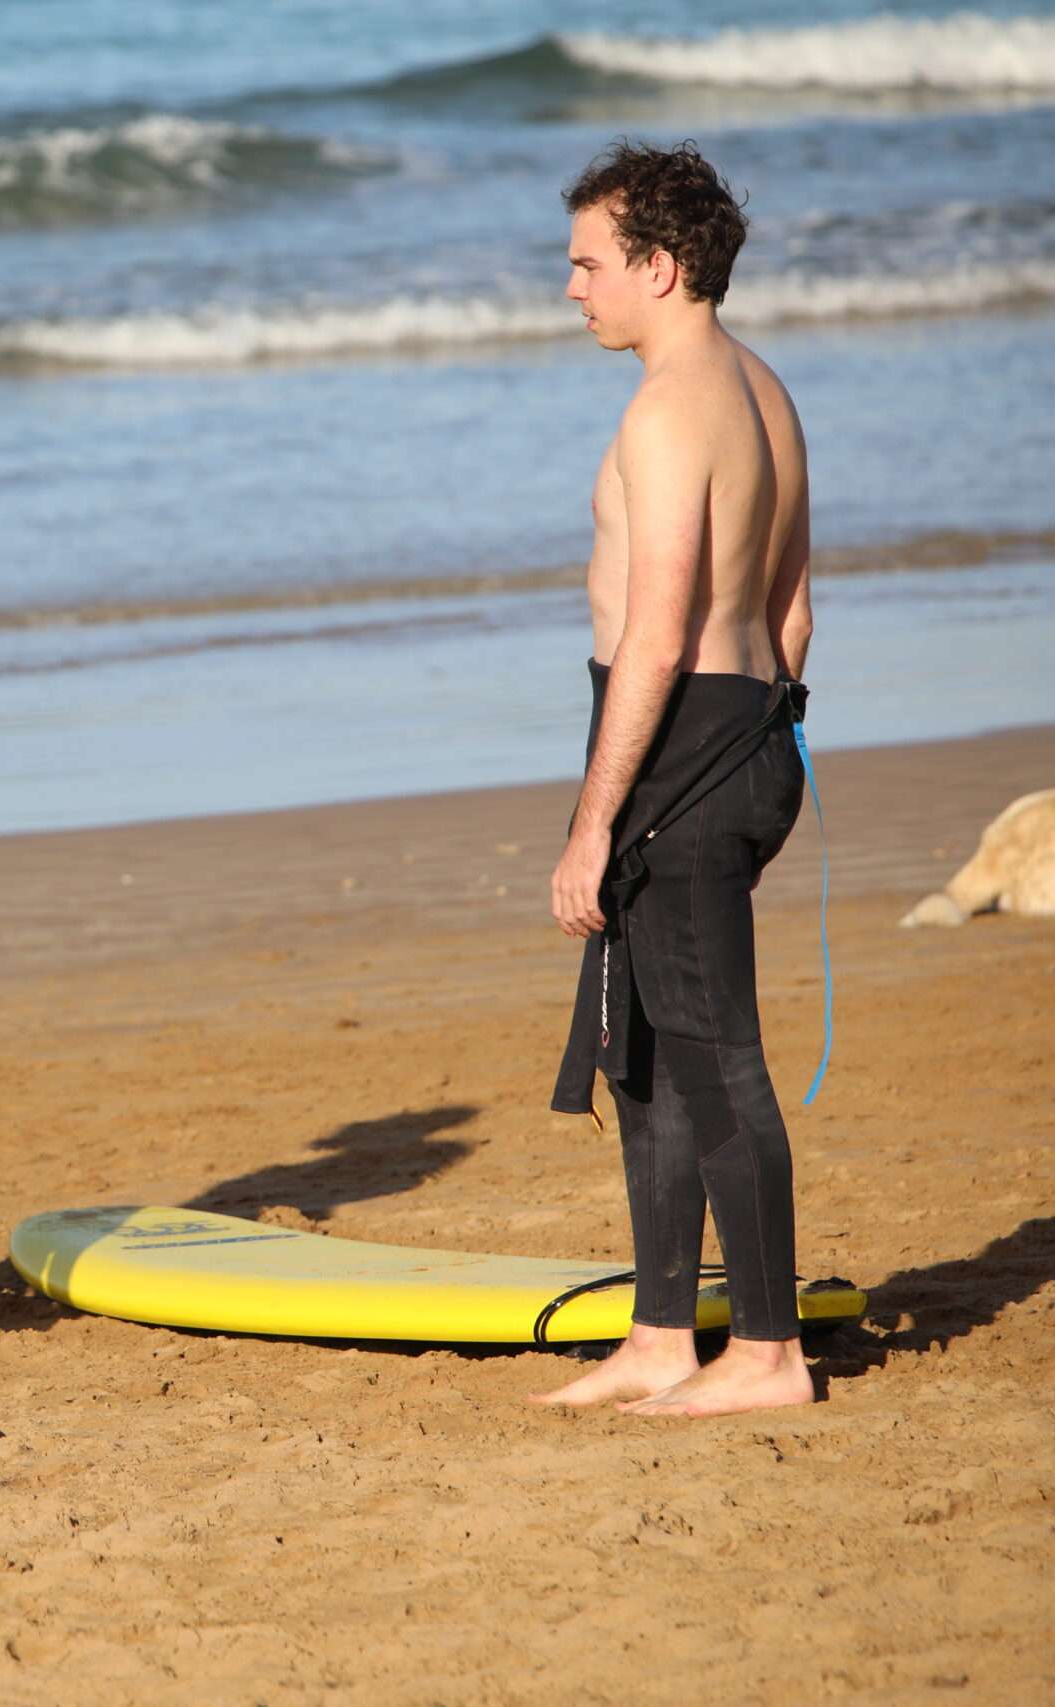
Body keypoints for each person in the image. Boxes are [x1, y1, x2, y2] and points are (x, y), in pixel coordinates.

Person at [529, 144, 819, 1418]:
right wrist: (754, 742)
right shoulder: (760, 387)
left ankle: (766, 1351)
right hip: (745, 733)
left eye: (590, 262)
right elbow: (792, 608)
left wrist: (595, 823)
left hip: (678, 753)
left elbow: (655, 631)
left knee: (713, 1060)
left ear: (659, 264)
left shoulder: (666, 409)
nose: (573, 287)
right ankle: (660, 1334)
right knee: (644, 1055)